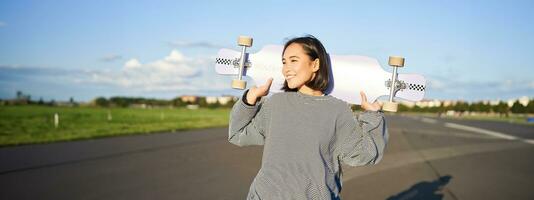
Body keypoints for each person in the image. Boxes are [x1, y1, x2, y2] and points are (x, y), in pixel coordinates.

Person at [228, 35, 388, 200]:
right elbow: (238, 134)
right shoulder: (276, 104)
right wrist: (250, 99)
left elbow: (365, 155)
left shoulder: (337, 110)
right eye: (284, 62)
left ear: (315, 64)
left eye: (293, 60)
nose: (286, 68)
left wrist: (373, 116)